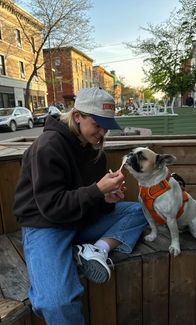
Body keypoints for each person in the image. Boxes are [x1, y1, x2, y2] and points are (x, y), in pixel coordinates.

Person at [13, 87, 147, 324]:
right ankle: (70, 258)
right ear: (77, 117)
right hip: (45, 225)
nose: (103, 131)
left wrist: (106, 200)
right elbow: (52, 207)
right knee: (56, 303)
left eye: (106, 125)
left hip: (79, 220)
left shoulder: (95, 151)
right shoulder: (48, 147)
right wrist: (97, 190)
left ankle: (97, 250)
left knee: (139, 209)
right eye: (98, 124)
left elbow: (89, 202)